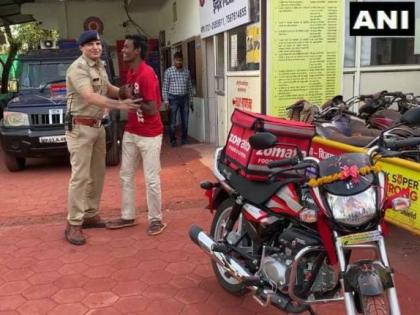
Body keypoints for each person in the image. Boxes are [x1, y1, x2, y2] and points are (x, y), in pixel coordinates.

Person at [65, 30, 140, 246]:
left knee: (97, 174)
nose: (95, 47)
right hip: (80, 128)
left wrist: (124, 92)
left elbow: (106, 88)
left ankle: (90, 214)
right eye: (90, 44)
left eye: (97, 43)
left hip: (98, 128)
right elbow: (90, 95)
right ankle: (74, 223)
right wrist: (120, 105)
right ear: (81, 48)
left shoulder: (100, 65)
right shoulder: (78, 68)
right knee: (80, 177)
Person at [105, 35, 166, 236]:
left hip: (150, 134)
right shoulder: (131, 71)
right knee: (126, 175)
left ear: (137, 50)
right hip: (131, 131)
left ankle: (156, 220)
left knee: (151, 178)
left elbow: (153, 108)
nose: (123, 51)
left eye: (127, 48)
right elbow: (124, 93)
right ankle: (128, 215)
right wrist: (124, 93)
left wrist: (131, 97)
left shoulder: (146, 74)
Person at [162, 52, 193, 147]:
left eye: (180, 60)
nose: (179, 62)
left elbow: (190, 87)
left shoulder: (186, 72)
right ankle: (173, 140)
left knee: (185, 121)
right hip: (173, 99)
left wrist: (191, 100)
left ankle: (184, 139)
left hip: (184, 98)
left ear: (182, 60)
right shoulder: (168, 72)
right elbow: (165, 87)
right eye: (177, 60)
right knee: (172, 122)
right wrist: (166, 101)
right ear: (174, 60)